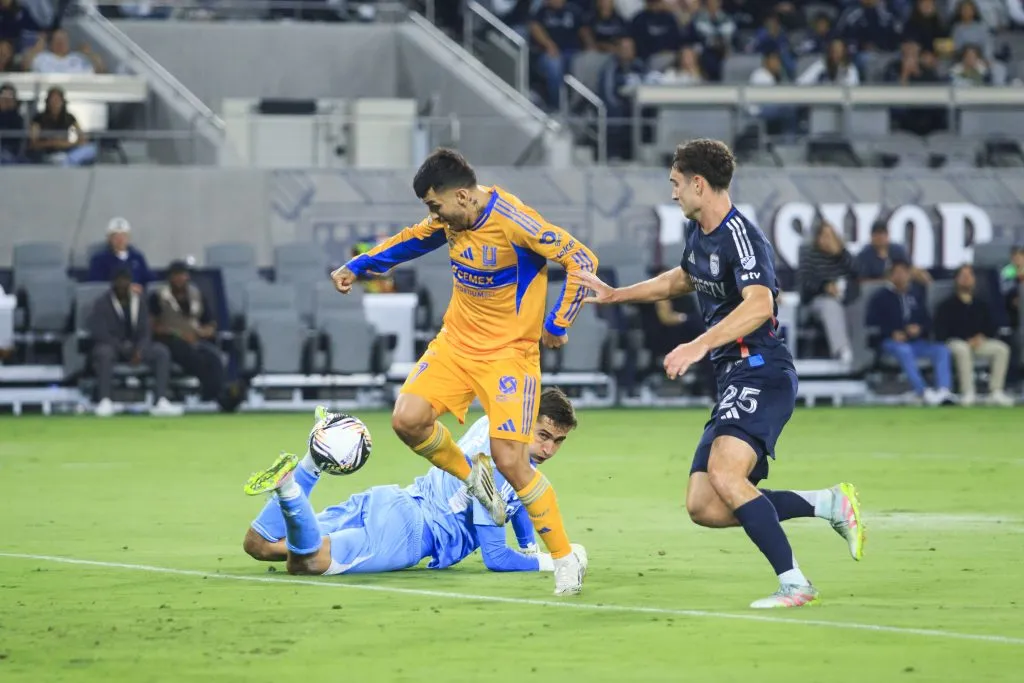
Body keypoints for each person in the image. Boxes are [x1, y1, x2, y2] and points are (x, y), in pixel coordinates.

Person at [572, 139, 864, 609]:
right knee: (704, 505)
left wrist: (697, 344)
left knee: (727, 476)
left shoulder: (741, 236)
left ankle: (795, 583)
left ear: (698, 184)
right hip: (735, 378)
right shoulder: (702, 235)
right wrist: (615, 295)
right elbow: (684, 278)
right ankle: (826, 503)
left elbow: (760, 303)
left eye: (675, 184)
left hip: (762, 371)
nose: (672, 194)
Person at [330, 148, 598, 596]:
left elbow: (582, 261)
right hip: (455, 345)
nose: (432, 215)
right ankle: (474, 478)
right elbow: (410, 239)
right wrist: (357, 267)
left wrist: (558, 322)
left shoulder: (516, 220)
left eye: (435, 205)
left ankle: (564, 557)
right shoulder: (451, 220)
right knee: (407, 420)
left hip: (509, 357)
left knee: (512, 460)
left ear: (462, 196)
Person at [242, 390, 582, 576]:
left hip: (391, 500)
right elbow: (495, 557)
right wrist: (555, 560)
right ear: (526, 423)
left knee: (260, 545)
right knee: (307, 562)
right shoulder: (495, 470)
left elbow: (519, 496)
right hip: (408, 534)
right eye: (543, 436)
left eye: (558, 441)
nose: (549, 449)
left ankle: (310, 466)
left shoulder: (494, 424)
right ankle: (289, 488)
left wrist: (528, 545)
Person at [87, 267, 182, 418]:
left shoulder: (140, 302)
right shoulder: (101, 304)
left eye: (126, 281)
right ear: (113, 283)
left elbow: (145, 331)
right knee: (103, 352)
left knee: (161, 352)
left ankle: (160, 400)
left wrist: (140, 349)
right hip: (113, 347)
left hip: (137, 349)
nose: (123, 284)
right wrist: (124, 349)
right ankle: (104, 400)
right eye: (120, 281)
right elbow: (100, 333)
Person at [866, 259, 956, 405]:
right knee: (904, 350)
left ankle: (944, 390)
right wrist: (891, 333)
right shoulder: (880, 297)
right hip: (891, 342)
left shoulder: (916, 295)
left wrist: (919, 329)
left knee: (941, 350)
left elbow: (927, 320)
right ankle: (922, 391)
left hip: (916, 341)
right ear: (890, 276)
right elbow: (872, 324)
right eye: (897, 273)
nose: (901, 276)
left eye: (904, 272)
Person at [149, 260, 232, 409]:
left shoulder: (196, 294)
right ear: (170, 278)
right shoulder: (159, 296)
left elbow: (210, 322)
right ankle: (211, 394)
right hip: (169, 339)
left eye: (183, 275)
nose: (180, 279)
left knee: (214, 357)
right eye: (176, 276)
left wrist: (206, 331)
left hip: (195, 338)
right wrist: (177, 333)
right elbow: (152, 325)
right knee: (192, 356)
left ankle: (217, 396)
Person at [935, 264, 1012, 406]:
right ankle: (968, 391)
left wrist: (981, 337)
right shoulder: (946, 305)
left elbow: (991, 326)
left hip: (978, 342)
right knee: (962, 349)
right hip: (955, 342)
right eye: (962, 276)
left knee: (1001, 349)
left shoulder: (981, 304)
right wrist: (965, 339)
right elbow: (942, 331)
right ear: (956, 280)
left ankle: (995, 391)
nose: (966, 279)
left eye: (969, 275)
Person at [798, 220, 859, 363]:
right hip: (817, 301)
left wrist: (841, 253)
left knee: (858, 307)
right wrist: (825, 287)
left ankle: (862, 353)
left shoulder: (841, 254)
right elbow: (805, 284)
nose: (827, 240)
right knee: (830, 305)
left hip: (843, 298)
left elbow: (856, 271)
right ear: (817, 238)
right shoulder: (809, 254)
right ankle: (841, 350)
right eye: (824, 236)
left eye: (831, 236)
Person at [88, 217, 153, 288]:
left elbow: (149, 280)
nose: (120, 240)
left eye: (123, 236)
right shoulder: (99, 260)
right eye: (116, 236)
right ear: (109, 239)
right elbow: (96, 286)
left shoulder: (137, 257)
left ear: (129, 238)